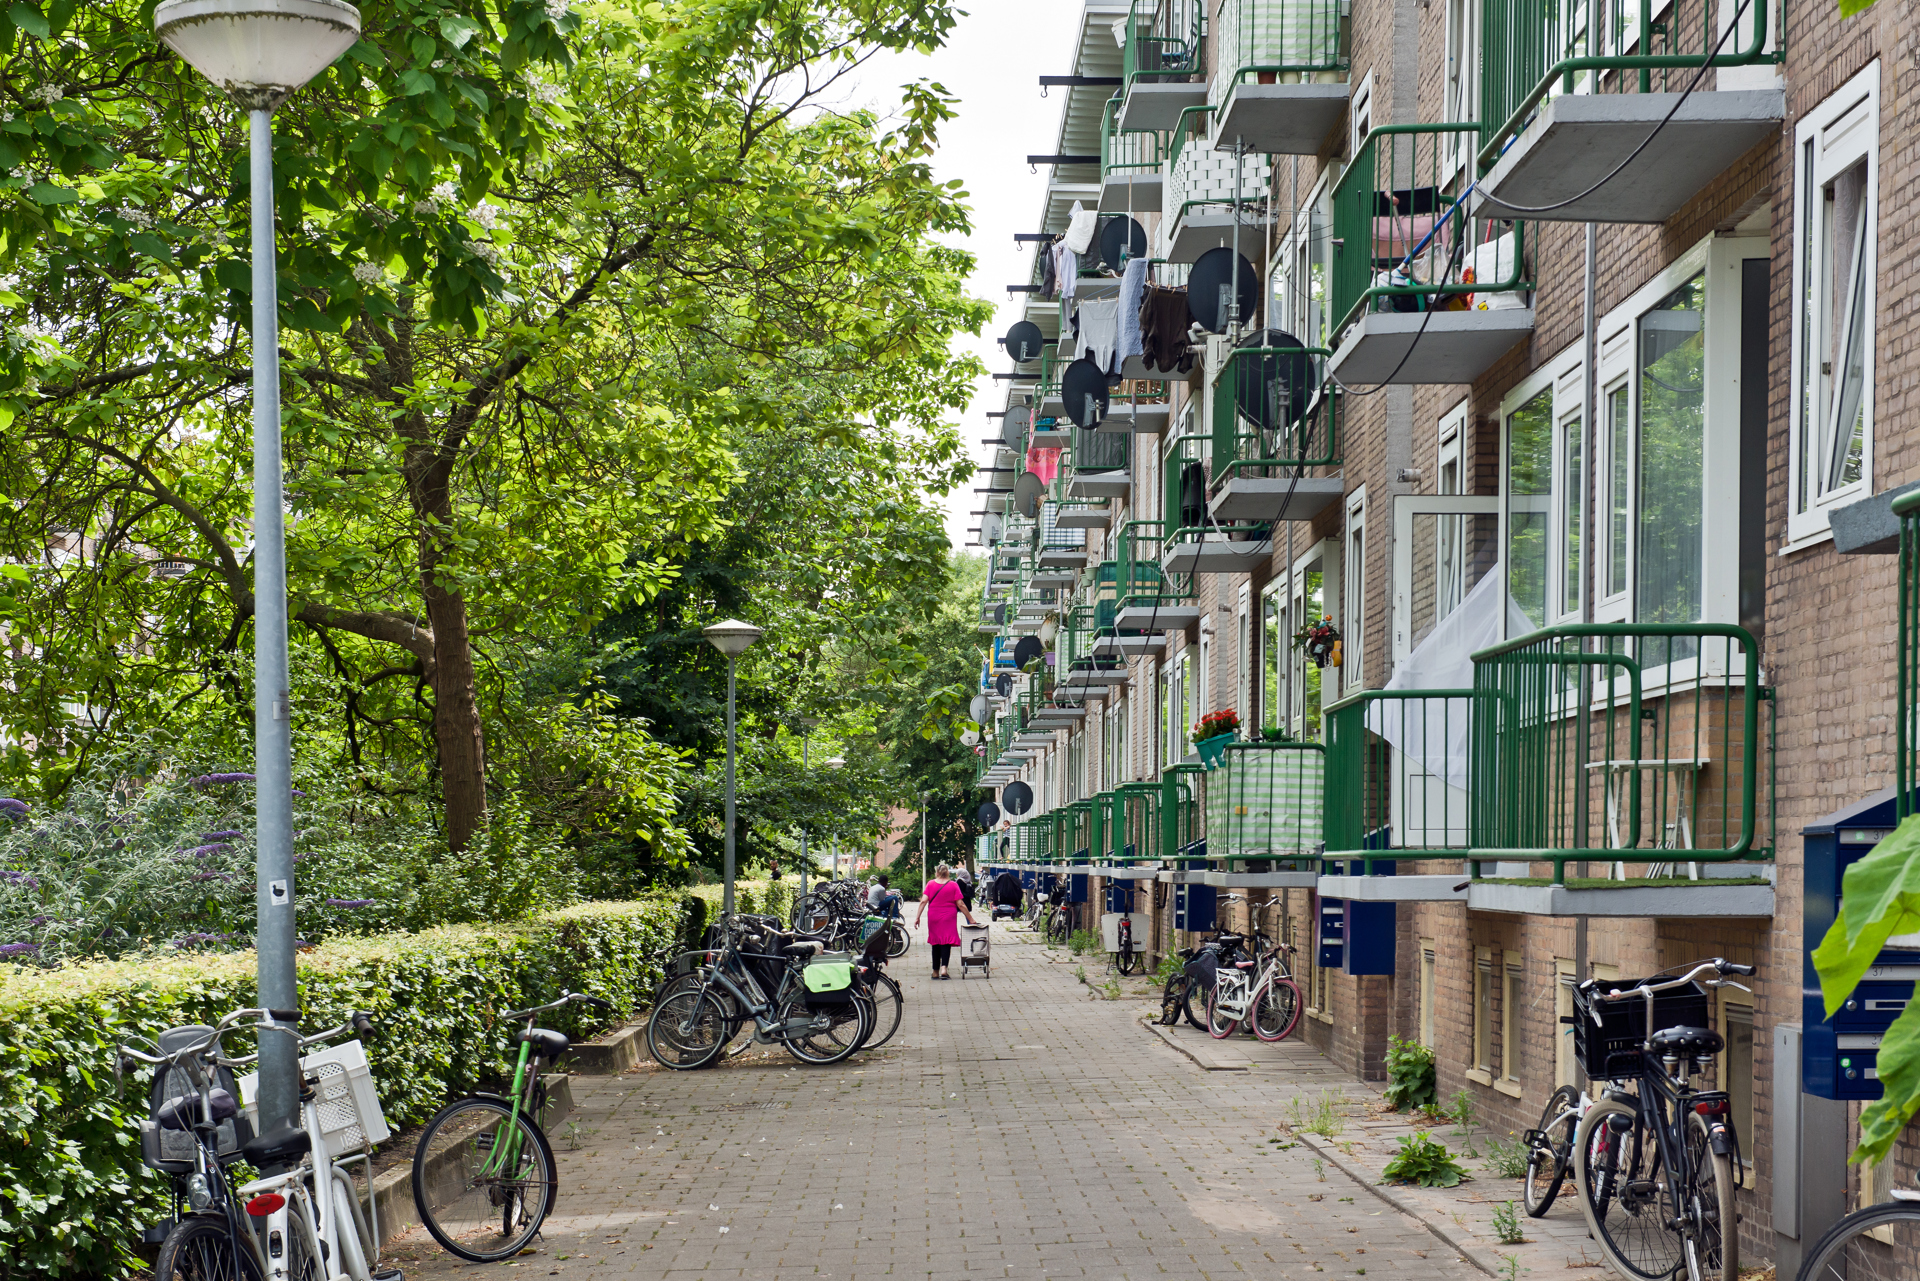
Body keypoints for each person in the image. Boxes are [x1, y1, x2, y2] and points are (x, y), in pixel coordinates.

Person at [914, 863, 976, 980]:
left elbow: (923, 901)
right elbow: (960, 904)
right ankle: (944, 969)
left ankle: (935, 971)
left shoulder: (930, 884)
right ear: (947, 872)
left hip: (933, 916)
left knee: (936, 942)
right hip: (948, 917)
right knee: (946, 941)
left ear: (937, 873)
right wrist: (970, 919)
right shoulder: (953, 885)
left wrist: (917, 917)